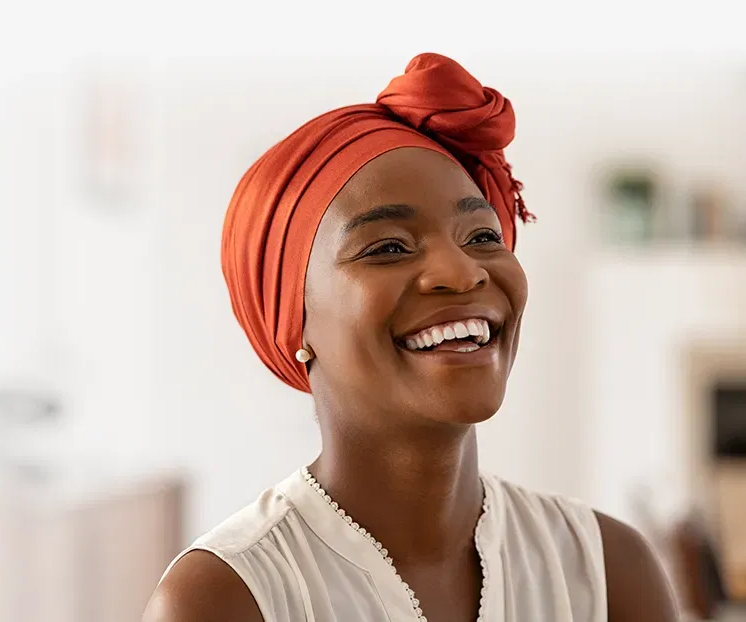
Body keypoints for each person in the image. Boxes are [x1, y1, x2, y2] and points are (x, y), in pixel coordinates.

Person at [143, 54, 678, 622]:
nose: (463, 272)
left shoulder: (606, 571)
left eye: (482, 236)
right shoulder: (226, 598)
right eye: (388, 247)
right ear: (293, 320)